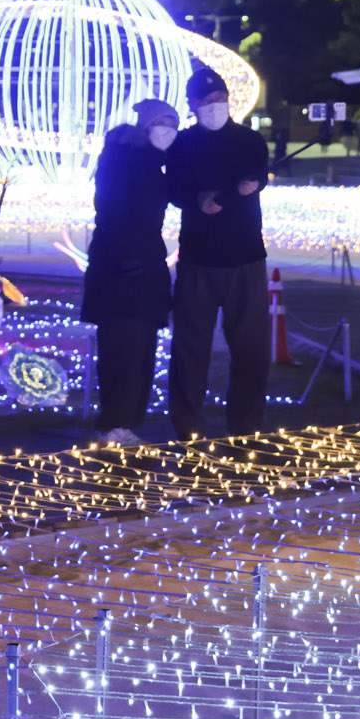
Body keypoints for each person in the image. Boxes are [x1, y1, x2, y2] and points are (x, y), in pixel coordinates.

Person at [165, 66, 271, 438]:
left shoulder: (250, 140)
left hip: (246, 257)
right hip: (198, 258)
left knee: (252, 347)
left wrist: (251, 186)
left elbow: (260, 173)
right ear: (193, 104)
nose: (215, 105)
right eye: (207, 100)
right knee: (190, 346)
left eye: (220, 99)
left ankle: (246, 423)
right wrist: (198, 199)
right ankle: (187, 423)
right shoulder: (183, 143)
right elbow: (173, 188)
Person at [82, 99, 177, 446]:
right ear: (146, 125)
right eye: (162, 122)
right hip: (123, 270)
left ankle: (127, 422)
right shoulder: (125, 159)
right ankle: (115, 422)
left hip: (144, 266)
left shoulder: (152, 162)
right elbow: (112, 211)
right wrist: (127, 258)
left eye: (173, 123)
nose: (168, 129)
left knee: (140, 349)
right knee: (123, 348)